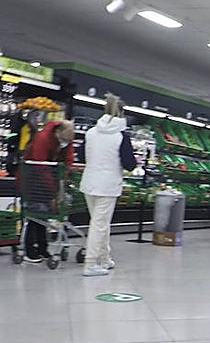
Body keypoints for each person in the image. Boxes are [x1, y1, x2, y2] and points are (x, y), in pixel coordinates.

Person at [79, 94, 136, 277]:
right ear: (122, 112)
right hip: (108, 185)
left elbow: (81, 156)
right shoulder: (121, 136)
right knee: (99, 224)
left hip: (89, 183)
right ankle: (90, 264)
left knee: (100, 223)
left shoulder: (91, 132)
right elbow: (129, 164)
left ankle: (104, 258)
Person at [20, 119, 75, 264]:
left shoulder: (66, 141)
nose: (72, 137)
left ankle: (43, 248)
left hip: (48, 180)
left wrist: (63, 177)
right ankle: (29, 250)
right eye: (69, 133)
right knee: (33, 215)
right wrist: (53, 192)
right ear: (59, 131)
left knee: (43, 215)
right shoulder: (43, 138)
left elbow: (68, 161)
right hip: (32, 179)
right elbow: (40, 166)